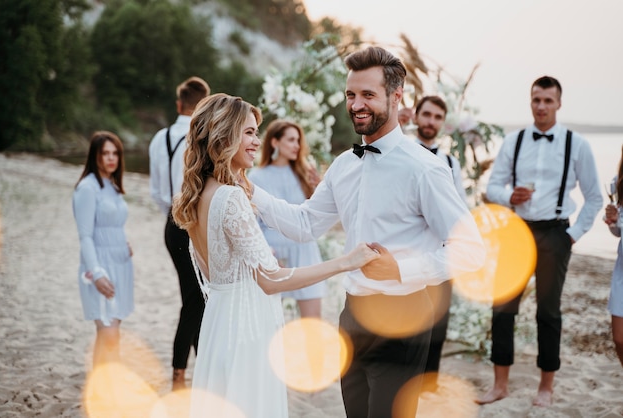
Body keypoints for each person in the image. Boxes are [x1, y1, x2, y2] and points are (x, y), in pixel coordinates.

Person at [251, 46, 486, 417]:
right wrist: (250, 191)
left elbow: (472, 250)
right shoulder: (344, 166)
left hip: (404, 317)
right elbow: (304, 224)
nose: (356, 104)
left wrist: (402, 270)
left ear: (396, 97)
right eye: (350, 94)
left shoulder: (425, 169)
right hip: (352, 316)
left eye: (368, 95)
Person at [171, 93, 381, 418]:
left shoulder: (198, 196)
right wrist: (346, 261)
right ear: (224, 135)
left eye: (257, 132)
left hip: (218, 321)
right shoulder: (229, 197)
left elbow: (216, 273)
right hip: (245, 326)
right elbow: (270, 280)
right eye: (249, 132)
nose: (257, 141)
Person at [481, 76, 602, 406]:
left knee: (548, 312)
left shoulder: (577, 145)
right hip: (517, 231)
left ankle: (546, 387)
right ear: (530, 101)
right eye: (536, 99)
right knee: (503, 308)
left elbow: (593, 197)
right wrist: (510, 195)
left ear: (559, 104)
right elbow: (493, 188)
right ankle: (500, 385)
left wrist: (571, 236)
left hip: (555, 234)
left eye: (548, 100)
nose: (541, 106)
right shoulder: (514, 141)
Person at [149, 76, 210, 390]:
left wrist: (174, 217)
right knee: (195, 298)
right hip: (195, 226)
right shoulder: (203, 134)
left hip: (172, 226)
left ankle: (192, 371)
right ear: (203, 104)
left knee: (196, 297)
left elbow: (157, 193)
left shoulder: (160, 139)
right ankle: (181, 373)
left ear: (178, 104)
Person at [410, 95, 469, 392]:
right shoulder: (402, 154)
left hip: (441, 258)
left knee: (437, 326)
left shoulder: (450, 163)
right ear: (415, 116)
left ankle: (429, 385)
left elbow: (460, 209)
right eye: (427, 115)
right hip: (407, 257)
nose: (431, 121)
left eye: (437, 117)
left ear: (442, 124)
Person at [248, 119, 325, 319]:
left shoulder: (304, 173)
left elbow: (316, 214)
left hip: (305, 253)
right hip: (275, 257)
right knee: (272, 323)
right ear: (275, 142)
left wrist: (319, 188)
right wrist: (267, 253)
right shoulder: (257, 177)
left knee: (313, 322)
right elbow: (254, 224)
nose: (297, 146)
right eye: (291, 140)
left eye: (298, 140)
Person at [73, 131, 133, 368]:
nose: (111, 158)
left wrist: (124, 242)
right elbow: (85, 236)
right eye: (105, 153)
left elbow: (113, 222)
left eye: (115, 153)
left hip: (121, 264)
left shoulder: (112, 185)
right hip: (100, 265)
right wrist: (96, 273)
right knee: (109, 333)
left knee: (111, 332)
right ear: (94, 156)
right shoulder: (87, 188)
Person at [604, 146, 623, 367]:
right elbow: (618, 230)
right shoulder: (618, 181)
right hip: (622, 271)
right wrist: (612, 220)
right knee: (619, 338)